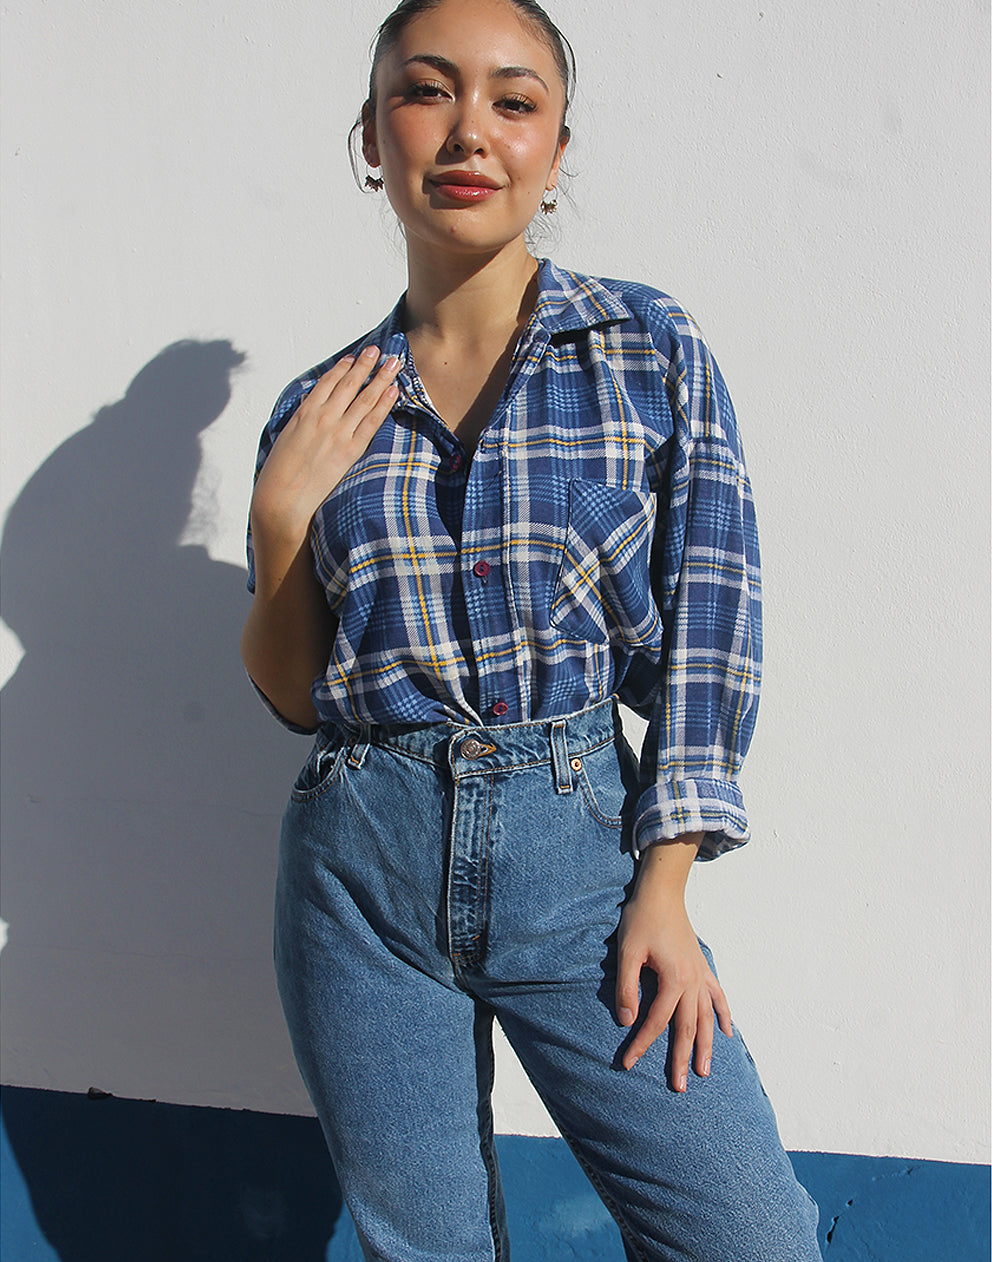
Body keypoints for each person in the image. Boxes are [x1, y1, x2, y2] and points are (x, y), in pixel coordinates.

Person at [241, 1, 823, 1257]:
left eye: (512, 101)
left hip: (577, 848)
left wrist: (662, 882)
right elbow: (294, 691)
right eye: (424, 91)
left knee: (747, 1237)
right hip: (358, 862)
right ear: (369, 134)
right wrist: (280, 515)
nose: (467, 133)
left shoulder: (643, 348)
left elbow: (712, 623)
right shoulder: (317, 405)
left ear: (555, 151)